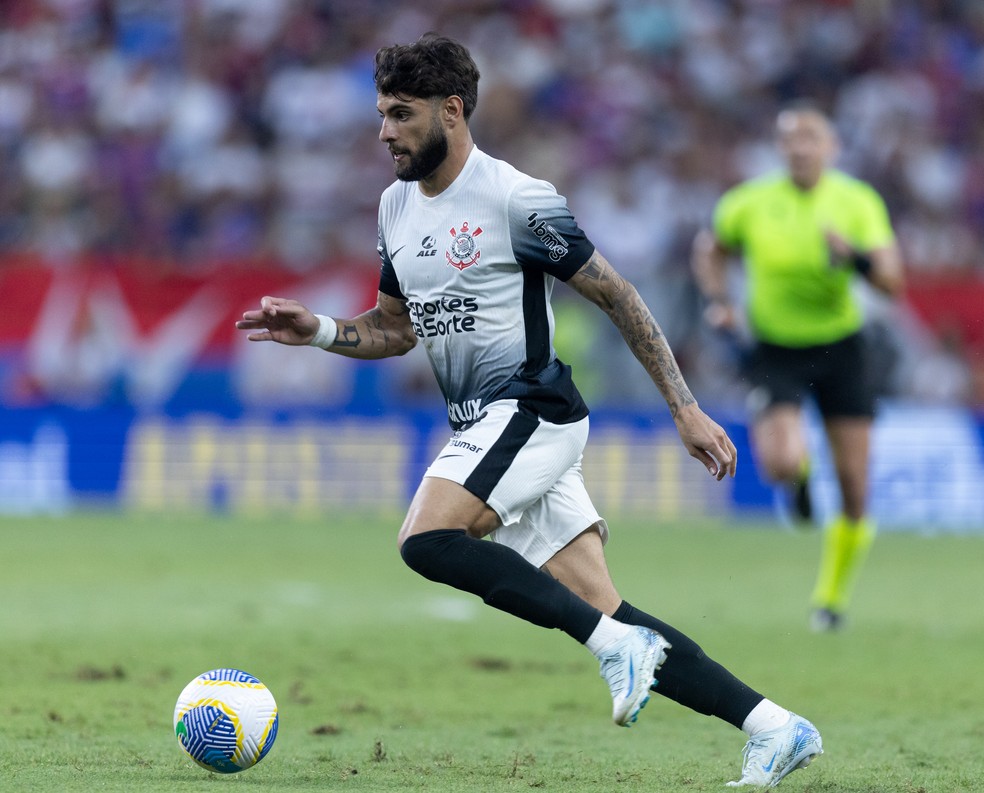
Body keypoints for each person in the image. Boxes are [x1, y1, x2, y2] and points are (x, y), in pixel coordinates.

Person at [237, 34, 822, 787]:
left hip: (531, 409)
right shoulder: (393, 206)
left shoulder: (517, 198)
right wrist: (318, 329)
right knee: (606, 607)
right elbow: (395, 328)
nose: (384, 131)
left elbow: (617, 294)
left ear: (452, 111)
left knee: (427, 540)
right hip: (487, 425)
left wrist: (685, 407)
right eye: (381, 113)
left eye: (401, 114)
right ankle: (774, 726)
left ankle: (614, 649)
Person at [692, 102, 905, 633]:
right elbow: (710, 248)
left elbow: (892, 282)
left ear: (832, 148)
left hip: (842, 349)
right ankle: (803, 476)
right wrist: (718, 299)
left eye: (811, 138)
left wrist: (855, 257)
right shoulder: (750, 202)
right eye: (791, 139)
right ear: (780, 148)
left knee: (855, 486)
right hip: (775, 349)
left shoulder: (857, 202)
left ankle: (830, 601)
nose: (801, 148)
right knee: (781, 463)